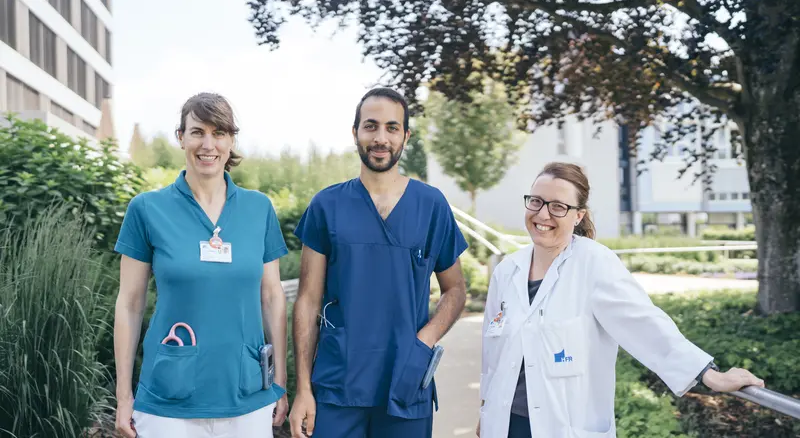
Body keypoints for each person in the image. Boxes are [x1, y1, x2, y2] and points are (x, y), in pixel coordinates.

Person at [477, 162, 765, 438]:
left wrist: (710, 375)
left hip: (562, 426)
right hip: (503, 424)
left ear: (578, 215)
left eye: (558, 206)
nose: (543, 214)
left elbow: (644, 323)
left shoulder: (594, 263)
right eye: (536, 201)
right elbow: (492, 356)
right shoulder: (506, 272)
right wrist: (484, 411)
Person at [288, 87, 469, 438]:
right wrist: (304, 390)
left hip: (406, 382)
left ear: (406, 136)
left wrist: (424, 342)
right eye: (370, 126)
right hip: (338, 384)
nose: (380, 137)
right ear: (355, 132)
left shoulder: (431, 206)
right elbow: (308, 300)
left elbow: (456, 290)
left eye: (391, 127)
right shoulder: (327, 205)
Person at [113, 93, 290, 438]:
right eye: (197, 132)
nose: (208, 144)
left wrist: (279, 381)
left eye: (219, 132)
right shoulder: (147, 209)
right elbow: (130, 303)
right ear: (180, 137)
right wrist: (123, 395)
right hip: (168, 400)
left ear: (231, 140)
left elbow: (271, 296)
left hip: (247, 396)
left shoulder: (259, 209)